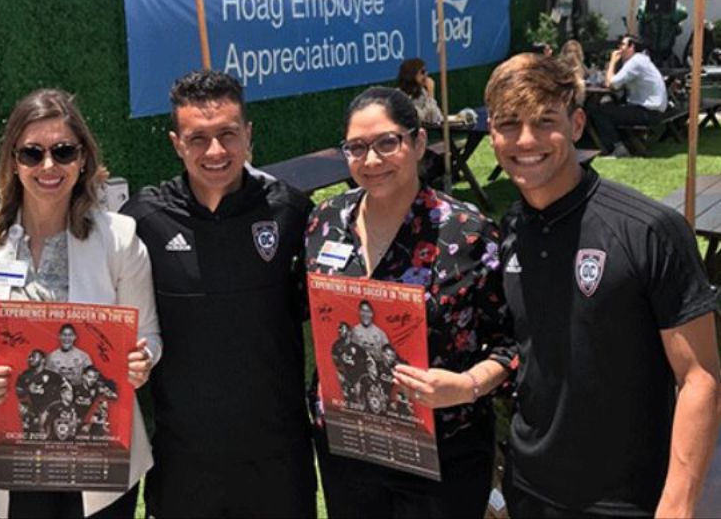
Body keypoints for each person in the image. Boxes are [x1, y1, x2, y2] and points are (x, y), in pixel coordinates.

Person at [484, 52, 721, 518]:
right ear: (492, 133)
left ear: (576, 124)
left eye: (544, 121)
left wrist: (677, 504)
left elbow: (700, 378)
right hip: (529, 485)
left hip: (625, 497)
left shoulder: (649, 230)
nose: (525, 139)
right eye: (509, 124)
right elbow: (529, 346)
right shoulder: (512, 228)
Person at [0, 89, 161, 519]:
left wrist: (143, 358)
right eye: (31, 153)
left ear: (83, 159)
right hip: (8, 458)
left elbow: (147, 334)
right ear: (13, 161)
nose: (48, 166)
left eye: (63, 151)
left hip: (99, 459)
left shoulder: (119, 239)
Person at [304, 86, 517, 518]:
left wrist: (467, 385)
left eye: (388, 142)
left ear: (419, 143)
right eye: (357, 147)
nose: (371, 160)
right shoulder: (324, 222)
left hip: (442, 454)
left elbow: (512, 343)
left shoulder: (468, 233)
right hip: (348, 450)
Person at [120, 70, 316, 518]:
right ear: (176, 143)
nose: (215, 151)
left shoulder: (290, 210)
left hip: (277, 455)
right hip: (184, 459)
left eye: (228, 134)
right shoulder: (144, 219)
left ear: (248, 134)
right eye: (198, 138)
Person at [589, 35, 668, 157]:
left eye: (622, 45)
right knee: (608, 104)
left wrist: (612, 62)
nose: (619, 48)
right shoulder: (641, 60)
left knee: (600, 112)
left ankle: (617, 148)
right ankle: (624, 143)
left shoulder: (635, 62)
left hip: (648, 112)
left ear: (632, 47)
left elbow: (610, 83)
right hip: (654, 110)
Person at [15, 349, 64, 436]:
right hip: (31, 411)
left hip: (50, 413)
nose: (30, 359)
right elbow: (17, 393)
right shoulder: (24, 375)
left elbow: (65, 389)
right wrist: (27, 389)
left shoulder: (54, 376)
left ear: (43, 360)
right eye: (30, 357)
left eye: (34, 356)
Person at [396, 57, 444, 126]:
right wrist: (431, 94)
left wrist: (429, 96)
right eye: (422, 72)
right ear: (412, 74)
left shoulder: (422, 92)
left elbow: (436, 118)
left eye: (426, 71)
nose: (426, 75)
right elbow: (420, 119)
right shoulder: (400, 96)